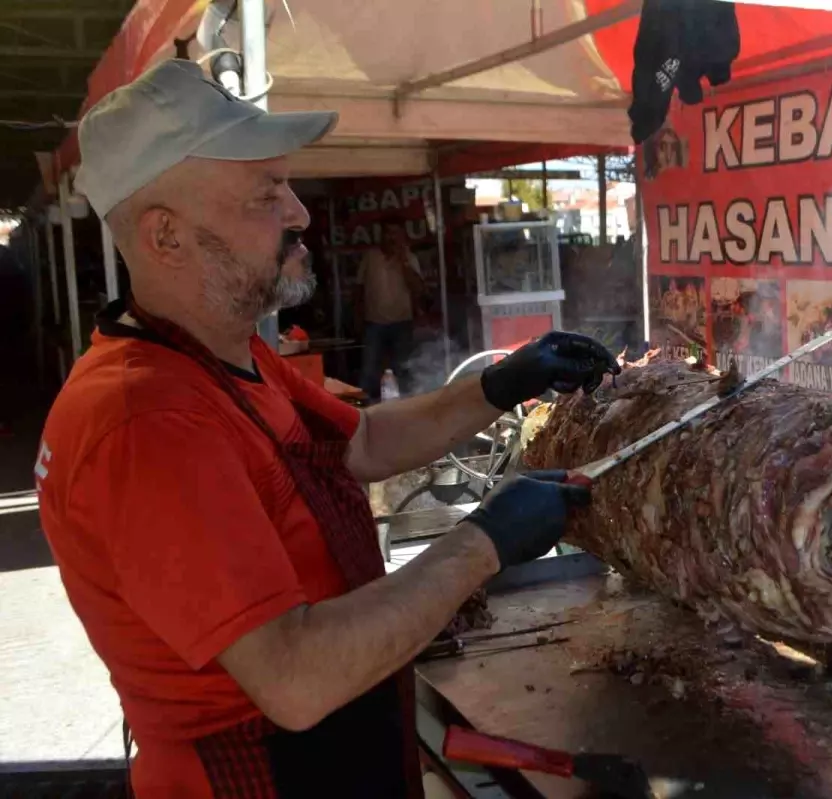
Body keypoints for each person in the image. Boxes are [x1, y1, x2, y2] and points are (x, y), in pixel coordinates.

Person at [35, 59, 619, 799]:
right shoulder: (146, 423)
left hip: (339, 750)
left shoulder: (225, 354)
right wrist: (484, 540)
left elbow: (363, 444)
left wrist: (500, 384)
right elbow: (293, 676)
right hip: (262, 776)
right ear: (166, 237)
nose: (300, 213)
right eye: (265, 193)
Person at [357, 223, 424, 399]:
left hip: (402, 322)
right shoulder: (370, 257)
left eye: (396, 233)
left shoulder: (410, 258)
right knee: (369, 369)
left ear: (403, 237)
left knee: (402, 368)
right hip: (374, 322)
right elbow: (358, 289)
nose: (391, 238)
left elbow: (417, 288)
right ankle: (364, 408)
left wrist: (403, 261)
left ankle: (406, 406)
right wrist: (357, 318)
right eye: (388, 233)